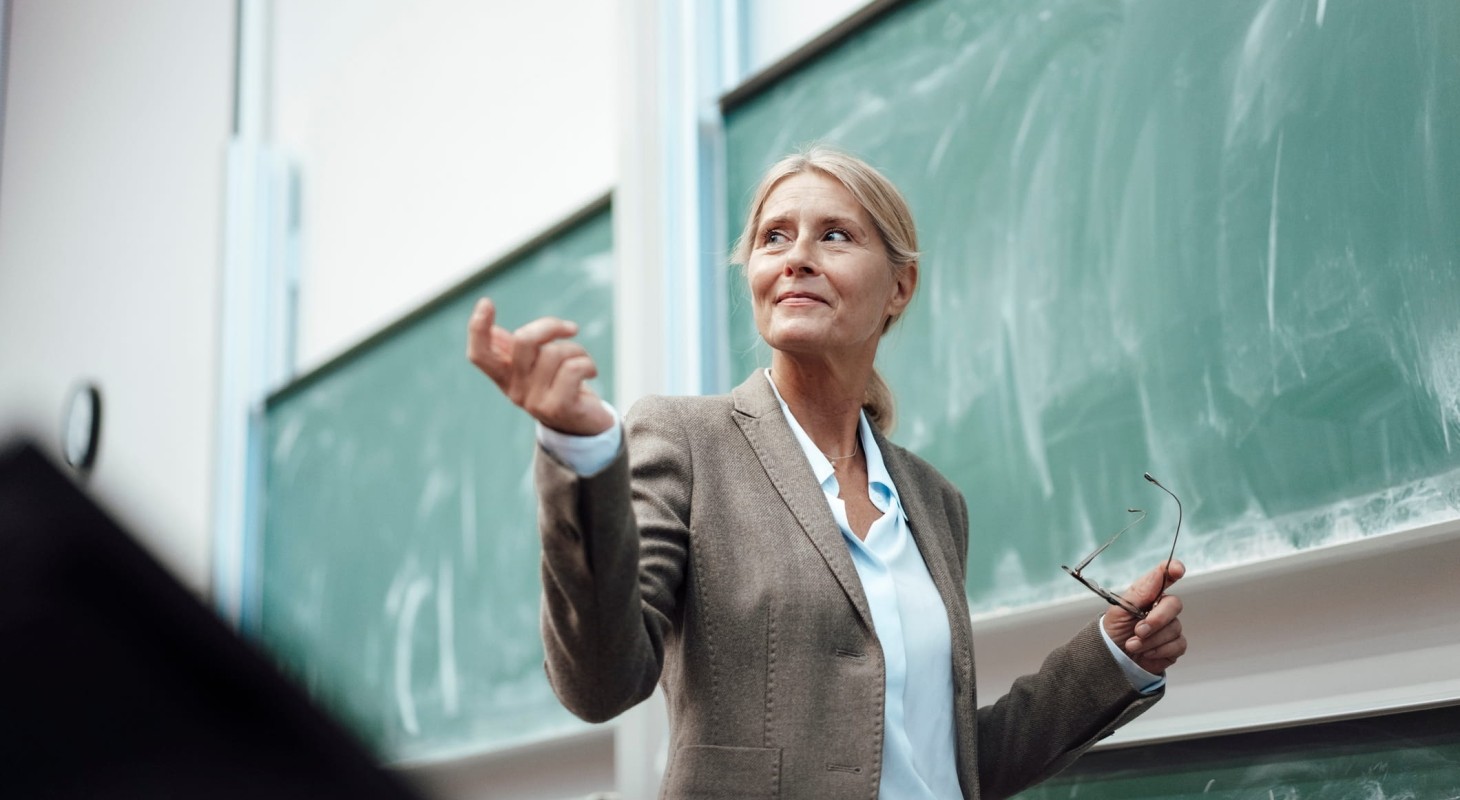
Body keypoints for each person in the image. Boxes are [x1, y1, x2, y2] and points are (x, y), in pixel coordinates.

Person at [466, 146, 1188, 798]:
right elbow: (599, 683)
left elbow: (946, 764)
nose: (797, 257)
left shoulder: (936, 503)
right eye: (774, 236)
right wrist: (583, 454)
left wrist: (1109, 659)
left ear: (899, 288)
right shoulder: (687, 441)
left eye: (834, 235)